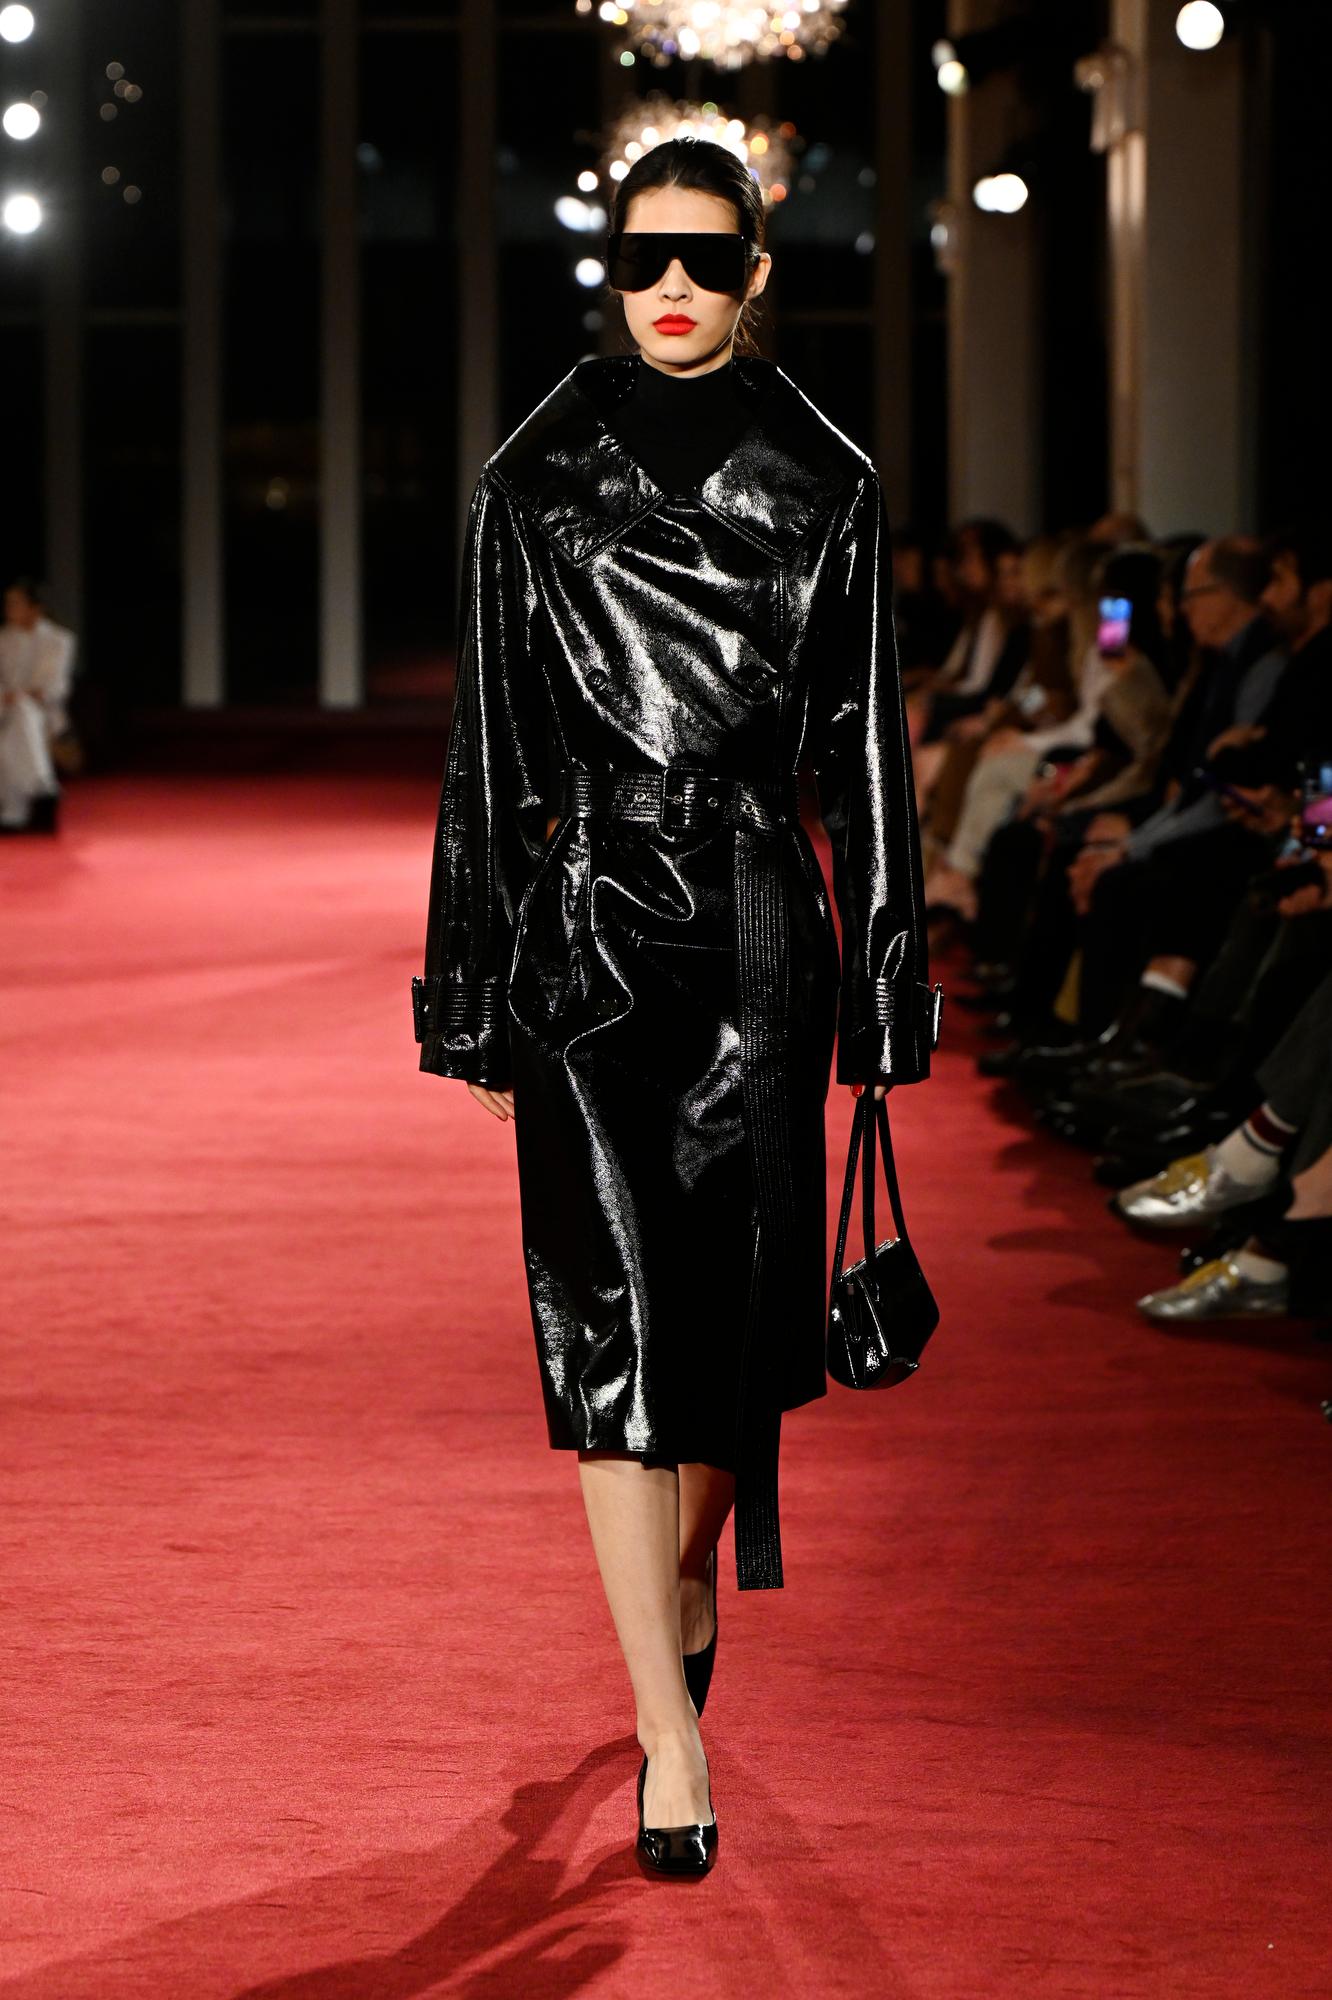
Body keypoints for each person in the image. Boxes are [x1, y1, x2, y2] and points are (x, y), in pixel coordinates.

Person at [411, 137, 938, 1878]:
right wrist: (470, 992)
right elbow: (488, 748)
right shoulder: (533, 476)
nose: (674, 290)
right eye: (646, 258)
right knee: (611, 1328)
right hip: (584, 938)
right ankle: (668, 1733)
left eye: (707, 260)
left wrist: (887, 982)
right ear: (613, 265)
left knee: (739, 1341)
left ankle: (687, 1581)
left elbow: (866, 747)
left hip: (760, 938)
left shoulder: (826, 477)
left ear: (759, 269)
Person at [0, 576, 77, 833]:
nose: (8, 609)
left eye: (15, 603)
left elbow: (56, 685)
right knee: (18, 718)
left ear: (35, 608)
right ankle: (42, 786)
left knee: (22, 717)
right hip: (4, 708)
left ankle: (13, 811)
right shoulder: (2, 639)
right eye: (7, 603)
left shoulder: (59, 640)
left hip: (44, 712)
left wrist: (23, 696)